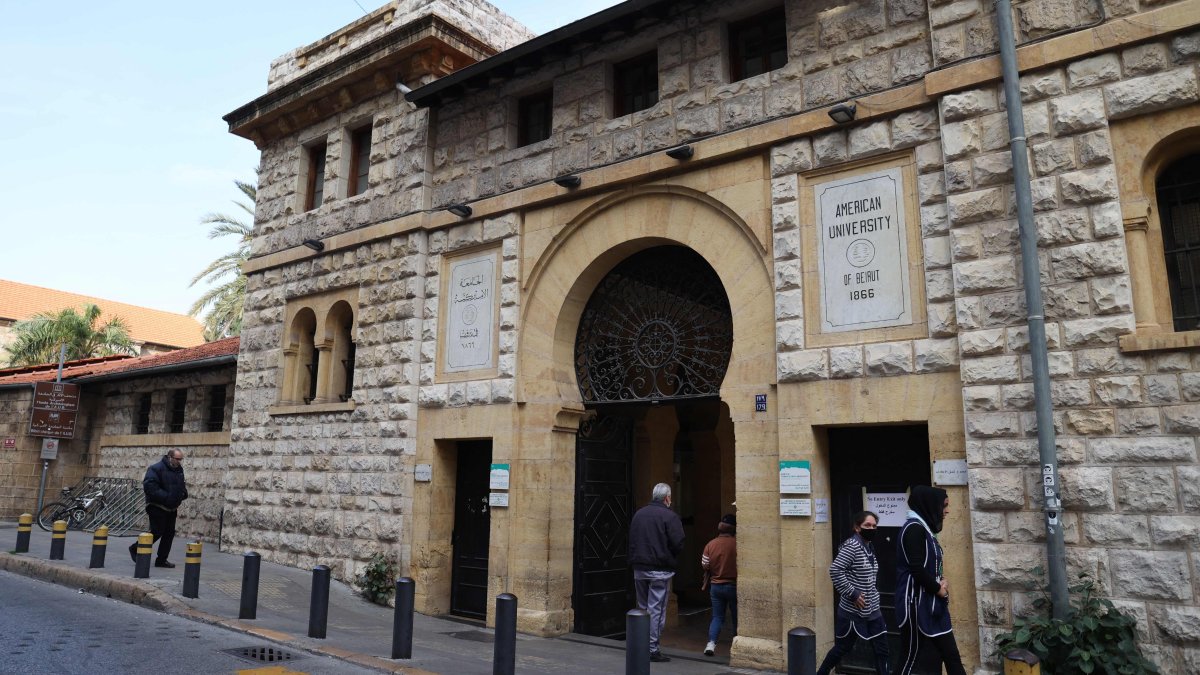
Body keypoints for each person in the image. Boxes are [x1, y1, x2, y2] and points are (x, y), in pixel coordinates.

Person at [895, 485, 966, 675]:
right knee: (909, 659)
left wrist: (941, 580)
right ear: (931, 505)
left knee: (951, 656)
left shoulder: (925, 530)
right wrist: (939, 589)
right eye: (944, 506)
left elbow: (930, 565)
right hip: (916, 605)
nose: (947, 511)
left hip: (934, 605)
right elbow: (916, 569)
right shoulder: (914, 530)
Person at [816, 511, 889, 675]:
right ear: (857, 528)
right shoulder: (852, 546)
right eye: (867, 525)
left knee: (882, 650)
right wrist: (853, 593)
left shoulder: (869, 546)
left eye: (874, 525)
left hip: (873, 610)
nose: (872, 528)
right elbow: (835, 570)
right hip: (852, 612)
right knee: (843, 648)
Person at [628, 482, 685, 663]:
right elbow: (678, 543)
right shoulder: (670, 516)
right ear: (667, 498)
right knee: (655, 610)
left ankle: (640, 644)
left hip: (639, 568)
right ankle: (651, 648)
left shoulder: (639, 514)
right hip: (659, 569)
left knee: (643, 608)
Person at [129, 448, 188, 568]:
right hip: (157, 506)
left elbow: (180, 484)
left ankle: (161, 560)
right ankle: (135, 548)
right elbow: (150, 487)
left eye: (181, 459)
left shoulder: (178, 469)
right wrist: (167, 497)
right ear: (170, 457)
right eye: (177, 459)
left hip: (171, 508)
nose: (179, 462)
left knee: (169, 534)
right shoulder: (156, 468)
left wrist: (183, 494)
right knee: (157, 531)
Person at [700, 513, 737, 657]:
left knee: (717, 617)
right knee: (736, 617)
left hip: (716, 585)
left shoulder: (711, 544)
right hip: (733, 585)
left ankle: (711, 644)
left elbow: (705, 565)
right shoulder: (738, 544)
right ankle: (736, 645)